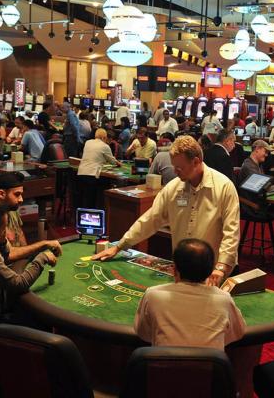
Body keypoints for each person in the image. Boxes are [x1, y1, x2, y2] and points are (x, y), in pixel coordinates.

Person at [93, 135, 240, 287]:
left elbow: (231, 232)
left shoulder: (224, 187)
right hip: (181, 272)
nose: (175, 172)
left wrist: (221, 268)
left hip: (212, 272)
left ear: (196, 162)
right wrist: (119, 246)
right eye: (173, 166)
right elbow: (150, 220)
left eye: (179, 167)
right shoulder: (173, 188)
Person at [134, 238, 245, 350]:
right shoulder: (224, 299)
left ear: (174, 269)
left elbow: (143, 333)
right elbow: (238, 332)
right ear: (211, 271)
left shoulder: (153, 294)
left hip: (162, 366)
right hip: (210, 366)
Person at [0, 173, 63, 259]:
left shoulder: (12, 210)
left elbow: (20, 233)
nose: (21, 199)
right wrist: (44, 244)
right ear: (1, 194)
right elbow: (9, 254)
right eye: (17, 194)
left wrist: (28, 259)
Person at [78, 128, 121, 208]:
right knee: (92, 199)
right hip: (92, 175)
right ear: (104, 138)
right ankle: (103, 209)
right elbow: (112, 161)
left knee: (86, 199)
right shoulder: (105, 146)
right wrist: (119, 163)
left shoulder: (88, 142)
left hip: (81, 173)